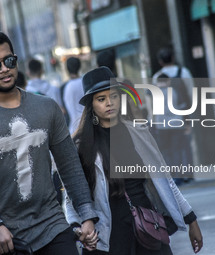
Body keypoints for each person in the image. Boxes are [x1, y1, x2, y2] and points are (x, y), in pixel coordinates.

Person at [0, 30, 98, 255]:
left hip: (52, 225)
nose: (5, 68)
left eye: (9, 60)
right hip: (3, 238)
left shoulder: (47, 108)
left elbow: (69, 166)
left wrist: (86, 215)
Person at [64, 66, 203, 254]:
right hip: (110, 232)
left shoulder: (139, 132)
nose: (109, 103)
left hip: (147, 224)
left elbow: (166, 180)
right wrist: (77, 227)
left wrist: (191, 219)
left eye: (113, 96)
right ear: (91, 105)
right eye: (101, 99)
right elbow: (72, 193)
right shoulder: (82, 145)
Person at [152, 47, 195, 184]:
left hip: (162, 121)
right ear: (173, 58)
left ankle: (174, 176)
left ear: (160, 62)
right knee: (183, 146)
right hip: (181, 117)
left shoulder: (156, 77)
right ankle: (186, 174)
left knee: (166, 149)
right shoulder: (184, 72)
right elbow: (191, 94)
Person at [63, 57, 84, 134]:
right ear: (79, 66)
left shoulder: (65, 87)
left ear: (67, 69)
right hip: (89, 125)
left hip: (73, 129)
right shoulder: (85, 83)